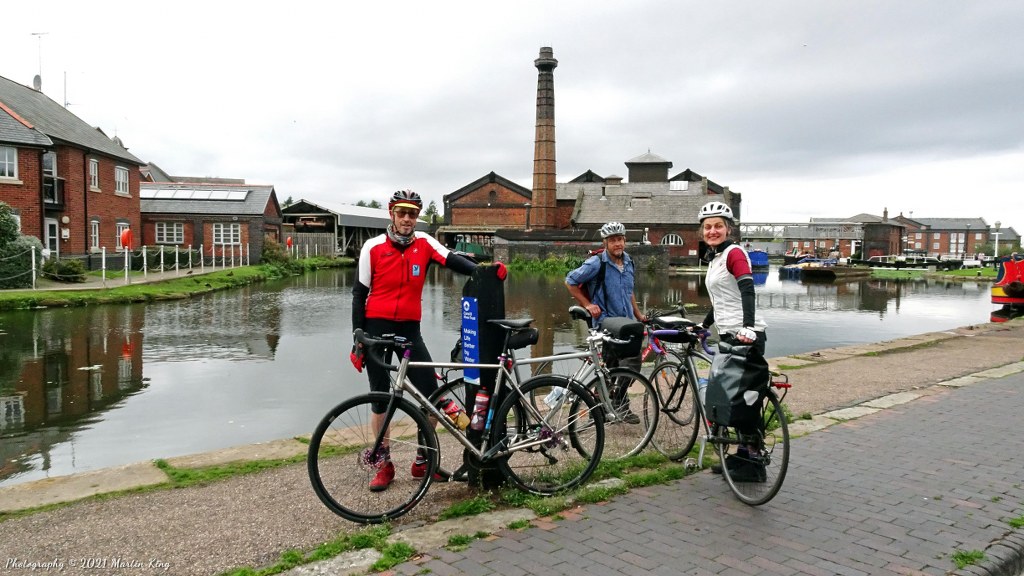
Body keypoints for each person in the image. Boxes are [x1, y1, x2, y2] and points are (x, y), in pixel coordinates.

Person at [351, 189, 506, 492]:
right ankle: (383, 464)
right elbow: (358, 295)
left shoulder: (425, 243)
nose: (407, 218)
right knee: (381, 398)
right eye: (401, 213)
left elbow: (454, 260)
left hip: (410, 330)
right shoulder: (372, 247)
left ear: (416, 216)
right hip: (375, 328)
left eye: (412, 213)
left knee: (431, 398)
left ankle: (424, 461)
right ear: (391, 215)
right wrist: (357, 336)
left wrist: (485, 272)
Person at [698, 201, 769, 482]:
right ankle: (742, 458)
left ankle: (753, 462)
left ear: (728, 229)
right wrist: (703, 326)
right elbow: (723, 300)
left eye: (718, 226)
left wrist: (749, 327)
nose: (712, 231)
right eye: (708, 227)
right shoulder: (716, 258)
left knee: (744, 400)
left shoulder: (734, 253)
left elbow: (747, 289)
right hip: (728, 334)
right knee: (733, 399)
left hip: (745, 335)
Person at [565, 221, 647, 422]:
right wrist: (587, 304)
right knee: (617, 364)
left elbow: (629, 292)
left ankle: (613, 403)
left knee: (626, 363)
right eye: (613, 241)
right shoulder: (597, 263)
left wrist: (638, 315)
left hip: (626, 322)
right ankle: (612, 406)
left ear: (625, 241)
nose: (617, 244)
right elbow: (570, 281)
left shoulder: (628, 261)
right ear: (606, 242)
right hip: (606, 322)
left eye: (620, 240)